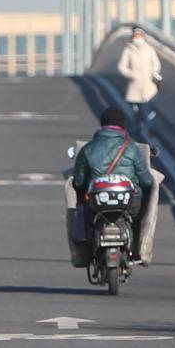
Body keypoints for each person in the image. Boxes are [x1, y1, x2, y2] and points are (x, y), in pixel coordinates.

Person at [66, 106, 160, 267]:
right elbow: (146, 181)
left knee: (84, 217)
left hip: (97, 203)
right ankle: (141, 248)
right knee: (141, 213)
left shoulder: (88, 149)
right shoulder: (131, 148)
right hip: (129, 203)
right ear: (123, 126)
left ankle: (82, 255)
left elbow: (79, 182)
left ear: (102, 125)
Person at [116, 30, 163, 141]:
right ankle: (136, 133)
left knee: (148, 110)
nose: (137, 38)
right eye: (135, 36)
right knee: (136, 112)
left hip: (149, 87)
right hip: (135, 87)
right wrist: (131, 74)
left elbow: (156, 64)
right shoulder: (128, 50)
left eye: (139, 36)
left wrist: (153, 72)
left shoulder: (149, 49)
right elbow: (122, 66)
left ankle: (149, 131)